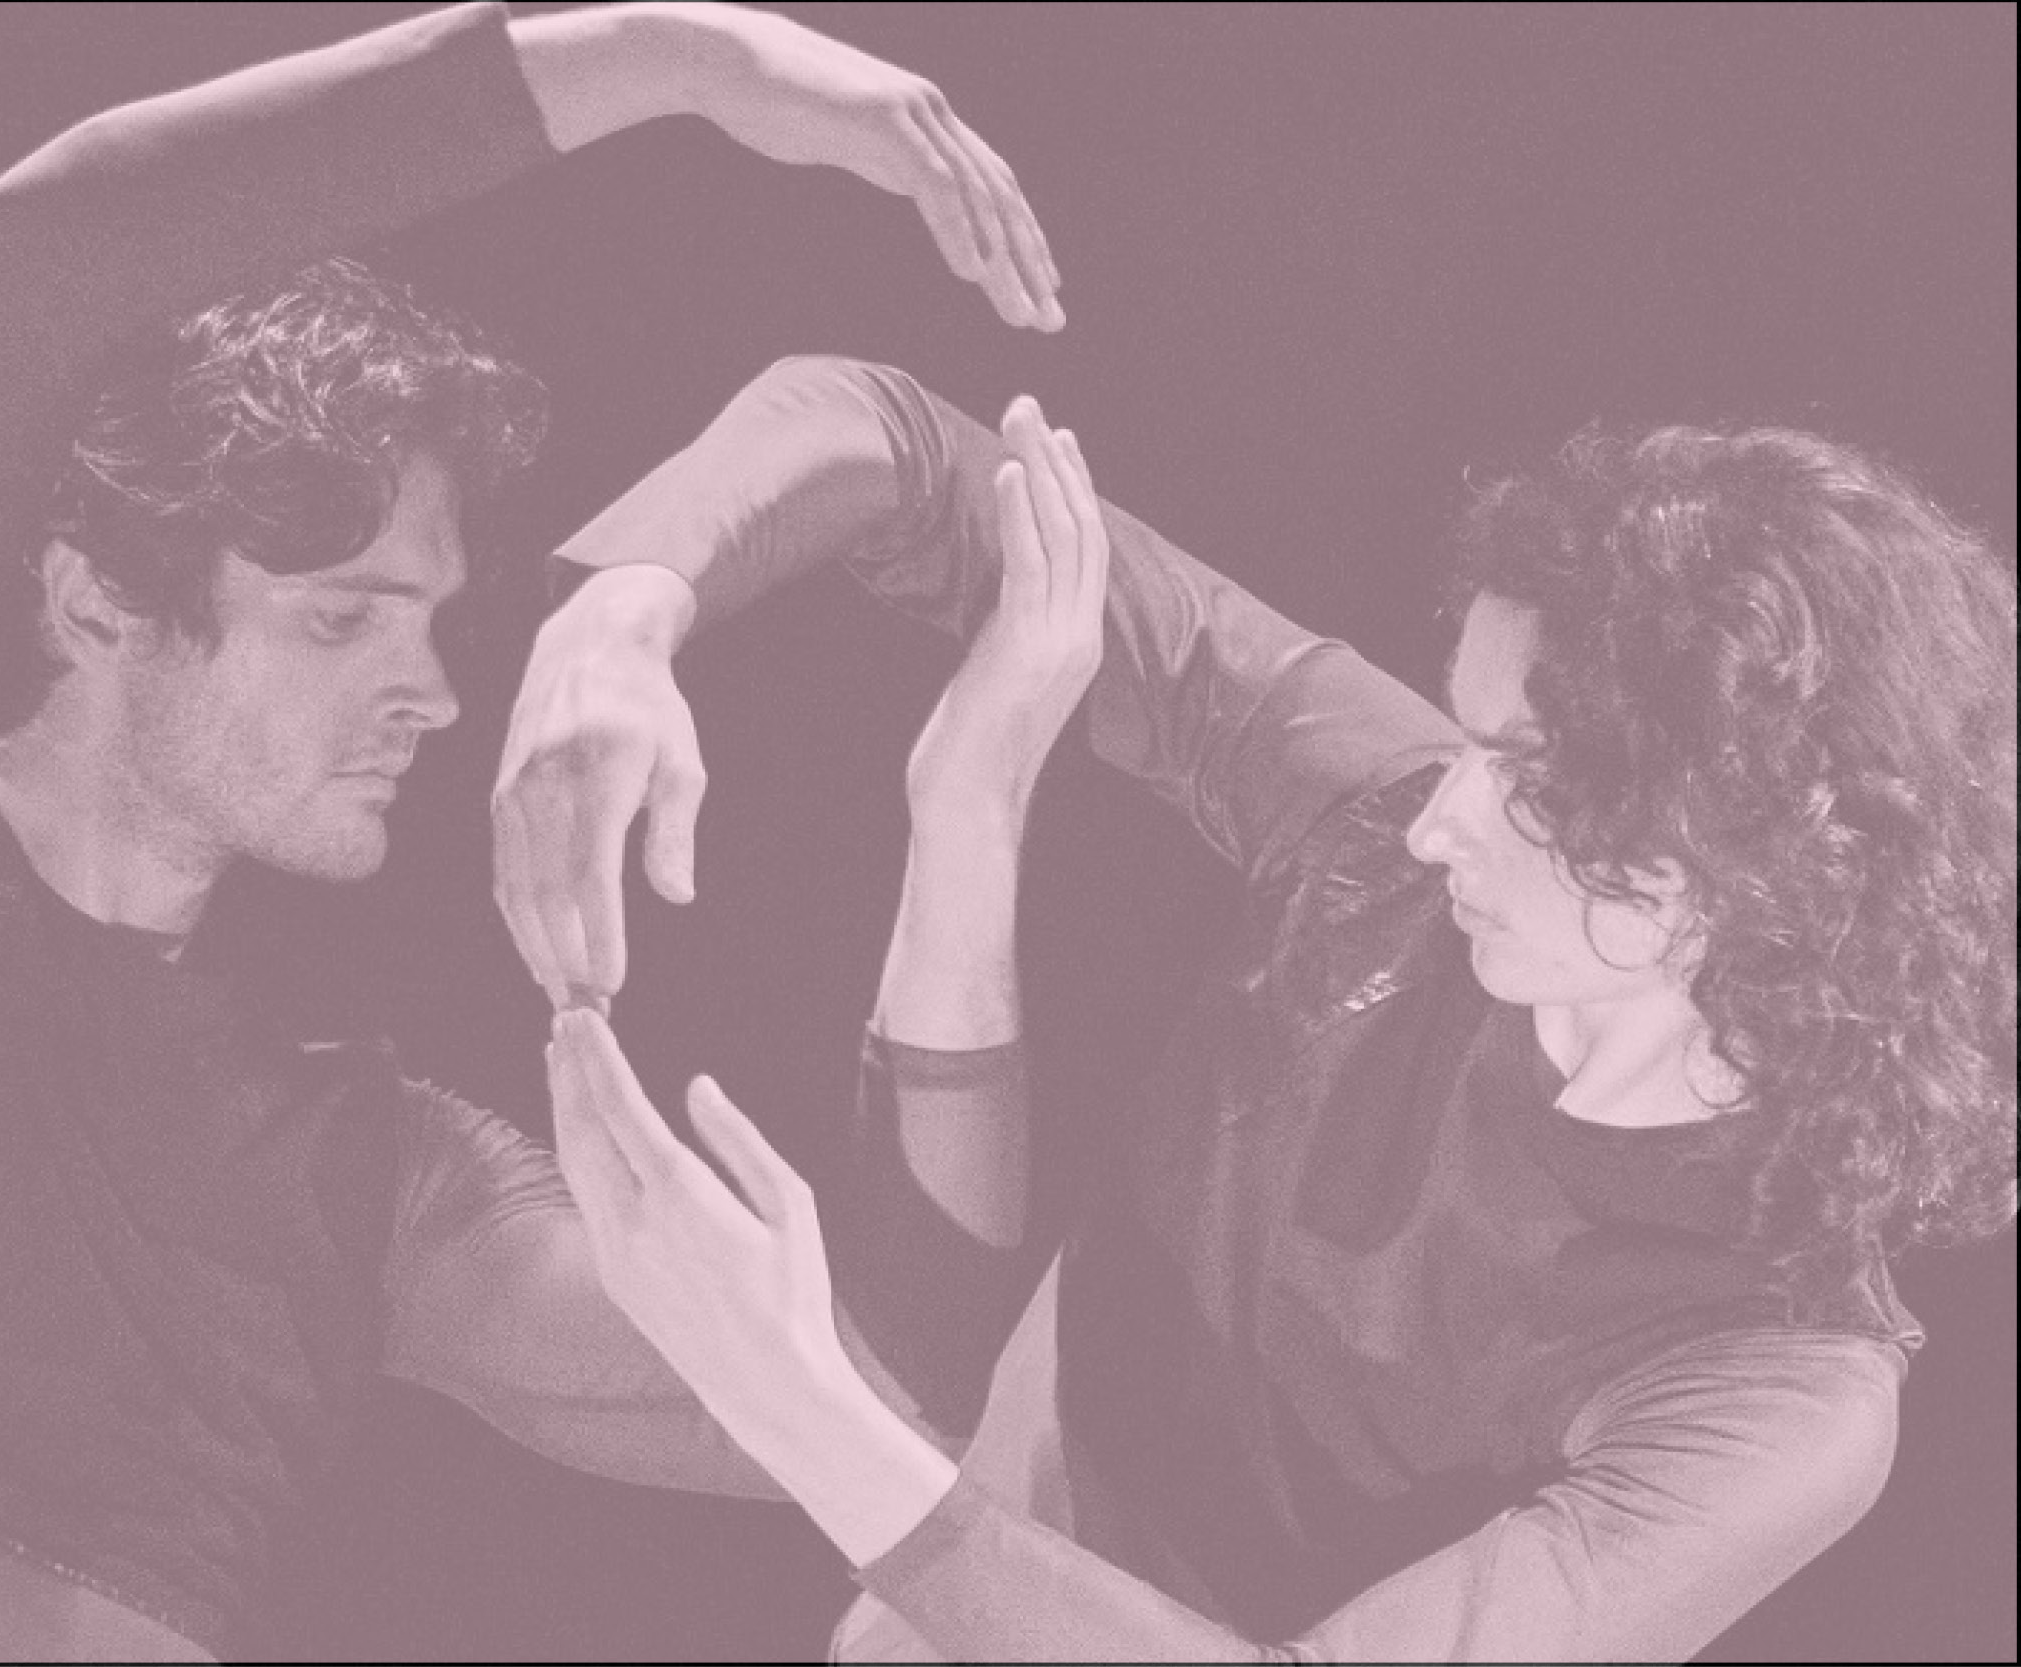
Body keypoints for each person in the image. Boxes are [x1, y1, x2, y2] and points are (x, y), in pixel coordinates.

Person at [0, 7, 1067, 1660]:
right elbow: (46, 262)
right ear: (96, 602)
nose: (435, 696)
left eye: (431, 623)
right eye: (344, 619)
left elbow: (880, 1388)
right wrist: (675, 55)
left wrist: (970, 812)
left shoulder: (361, 1168)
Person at [499, 356, 2017, 1659]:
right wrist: (624, 609)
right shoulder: (1386, 832)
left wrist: (801, 1409)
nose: (1441, 818)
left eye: (1528, 779)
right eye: (1467, 743)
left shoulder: (1778, 1376)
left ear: (1754, 848)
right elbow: (885, 436)